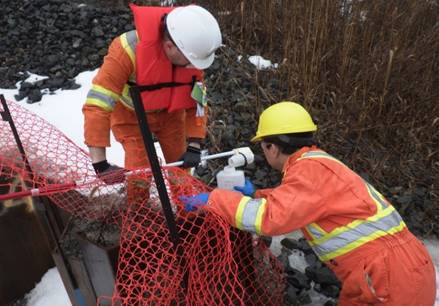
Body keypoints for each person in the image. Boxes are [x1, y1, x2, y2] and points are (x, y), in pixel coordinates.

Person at [180, 101, 437, 306]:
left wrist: (213, 198)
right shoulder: (316, 163)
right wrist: (256, 195)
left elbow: (269, 219)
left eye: (264, 147)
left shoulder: (309, 170)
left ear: (272, 147)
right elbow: (300, 203)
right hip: (391, 270)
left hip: (389, 277)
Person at [83, 4, 222, 178]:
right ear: (170, 46)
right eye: (191, 61)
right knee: (140, 173)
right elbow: (97, 106)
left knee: (181, 172)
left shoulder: (191, 54)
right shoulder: (126, 51)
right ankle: (138, 206)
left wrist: (194, 145)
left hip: (170, 115)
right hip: (131, 117)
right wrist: (100, 164)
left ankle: (186, 204)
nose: (195, 67)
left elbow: (198, 103)